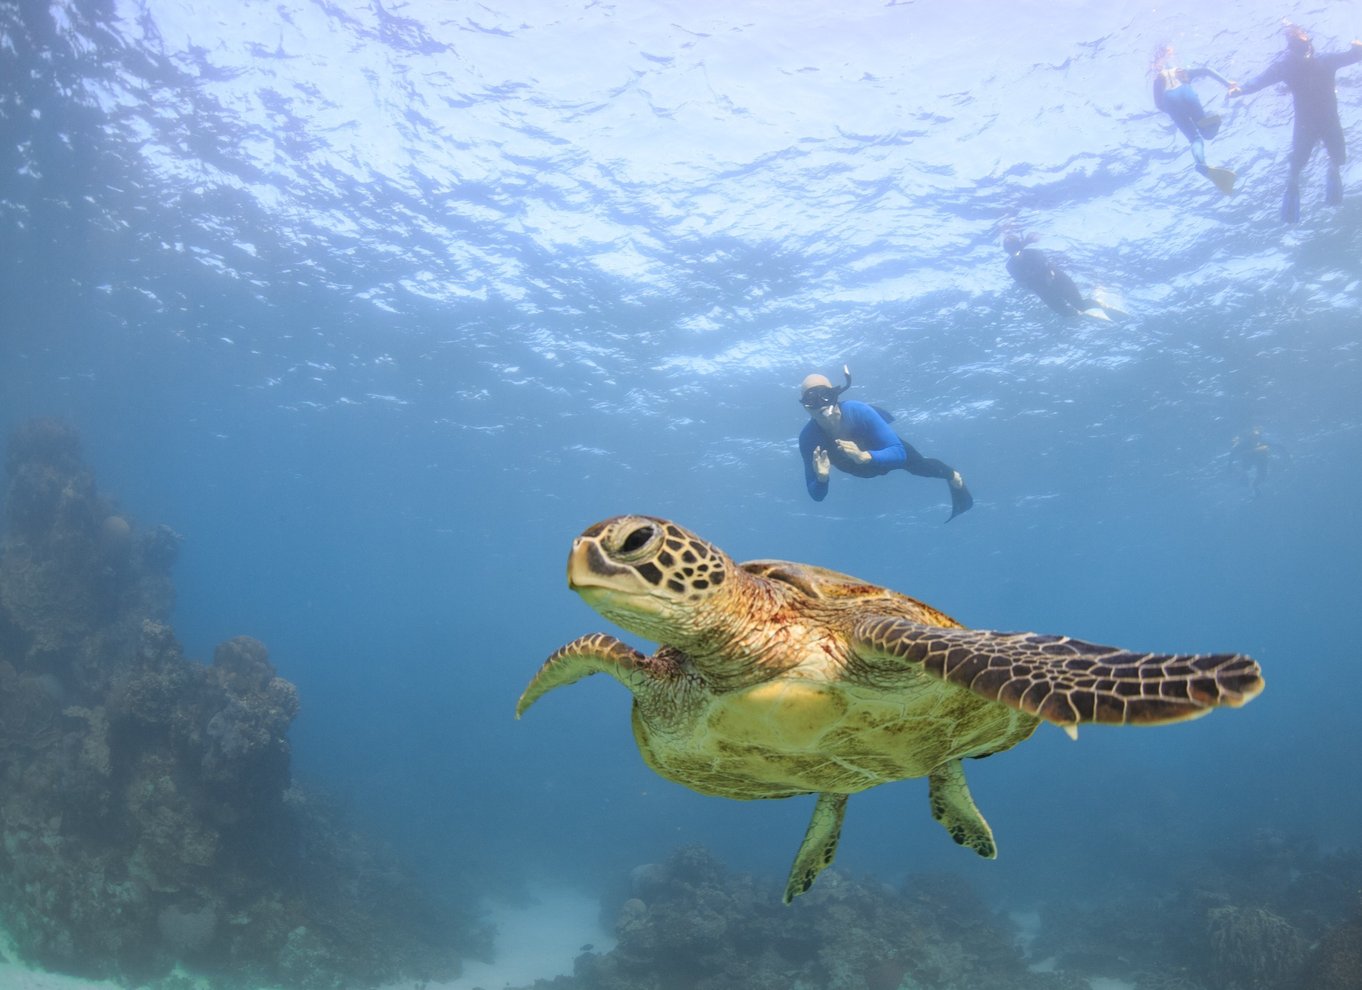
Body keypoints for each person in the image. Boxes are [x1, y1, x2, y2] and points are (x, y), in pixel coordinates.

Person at [797, 367, 973, 521]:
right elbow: (816, 495)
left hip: (887, 453)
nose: (819, 403)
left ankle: (953, 476)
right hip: (859, 470)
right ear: (805, 406)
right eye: (811, 399)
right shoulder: (808, 439)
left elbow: (899, 453)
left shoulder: (858, 410)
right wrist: (822, 478)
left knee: (918, 466)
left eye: (824, 395)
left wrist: (865, 456)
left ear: (835, 395)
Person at [1228, 25, 1362, 223]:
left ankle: (1329, 172)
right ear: (1291, 47)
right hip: (1307, 124)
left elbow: (1351, 57)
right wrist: (1241, 89)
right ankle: (1294, 183)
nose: (1302, 48)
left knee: (1338, 159)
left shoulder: (1323, 61)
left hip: (1325, 122)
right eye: (1297, 43)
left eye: (1303, 42)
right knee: (1297, 166)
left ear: (1308, 43)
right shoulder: (1286, 66)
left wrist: (1357, 50)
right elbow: (1260, 81)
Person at [1151, 46, 1237, 194]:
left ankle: (1201, 165)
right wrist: (1227, 83)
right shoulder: (1181, 71)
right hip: (1185, 91)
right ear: (1170, 57)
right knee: (1207, 133)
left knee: (1195, 139)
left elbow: (1158, 105)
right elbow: (1206, 70)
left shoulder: (1157, 79)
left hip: (1169, 102)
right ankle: (1215, 118)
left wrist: (1174, 112)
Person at [1002, 233, 1122, 320]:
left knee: (1079, 304)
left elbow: (1048, 267)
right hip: (1044, 291)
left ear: (1021, 248)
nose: (1016, 256)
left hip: (1059, 281)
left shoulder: (1033, 253)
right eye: (1013, 254)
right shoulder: (1010, 266)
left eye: (1017, 252)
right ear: (1008, 253)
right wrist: (1033, 283)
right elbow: (1023, 284)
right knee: (1064, 313)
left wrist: (1047, 277)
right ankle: (1083, 315)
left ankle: (1101, 305)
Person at [1229, 426, 1274, 498]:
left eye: (1257, 435)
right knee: (1247, 471)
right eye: (1254, 435)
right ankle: (1252, 488)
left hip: (1258, 461)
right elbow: (1237, 452)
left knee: (1261, 475)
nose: (1255, 437)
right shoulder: (1245, 443)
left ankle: (1255, 488)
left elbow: (1270, 448)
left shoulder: (1262, 443)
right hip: (1248, 461)